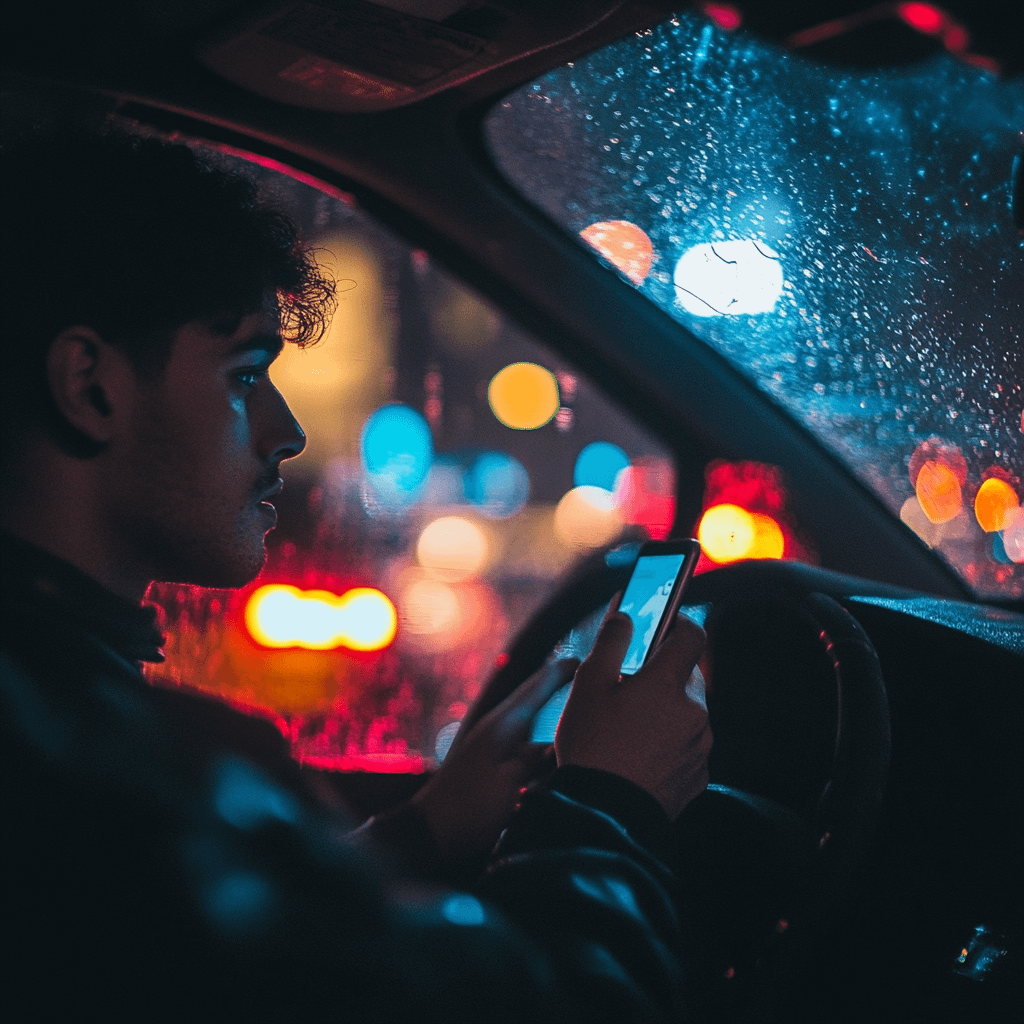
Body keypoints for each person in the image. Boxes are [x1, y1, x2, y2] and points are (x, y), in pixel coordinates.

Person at [0, 129, 712, 1020]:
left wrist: (418, 834)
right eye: (244, 375)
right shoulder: (137, 773)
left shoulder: (67, 730)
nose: (286, 430)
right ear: (89, 386)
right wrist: (612, 805)